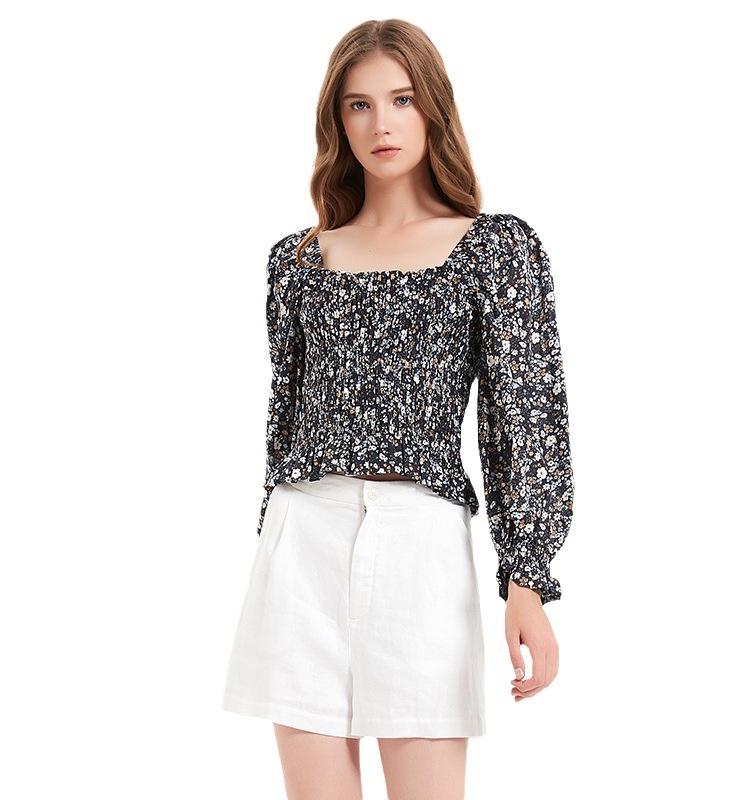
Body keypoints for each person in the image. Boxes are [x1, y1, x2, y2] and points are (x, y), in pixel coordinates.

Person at [222, 17, 574, 800]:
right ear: (337, 120)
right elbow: (285, 418)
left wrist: (527, 577)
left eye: (402, 99)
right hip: (302, 539)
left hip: (421, 546)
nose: (381, 123)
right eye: (359, 105)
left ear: (433, 107)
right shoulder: (297, 260)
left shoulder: (494, 250)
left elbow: (526, 422)